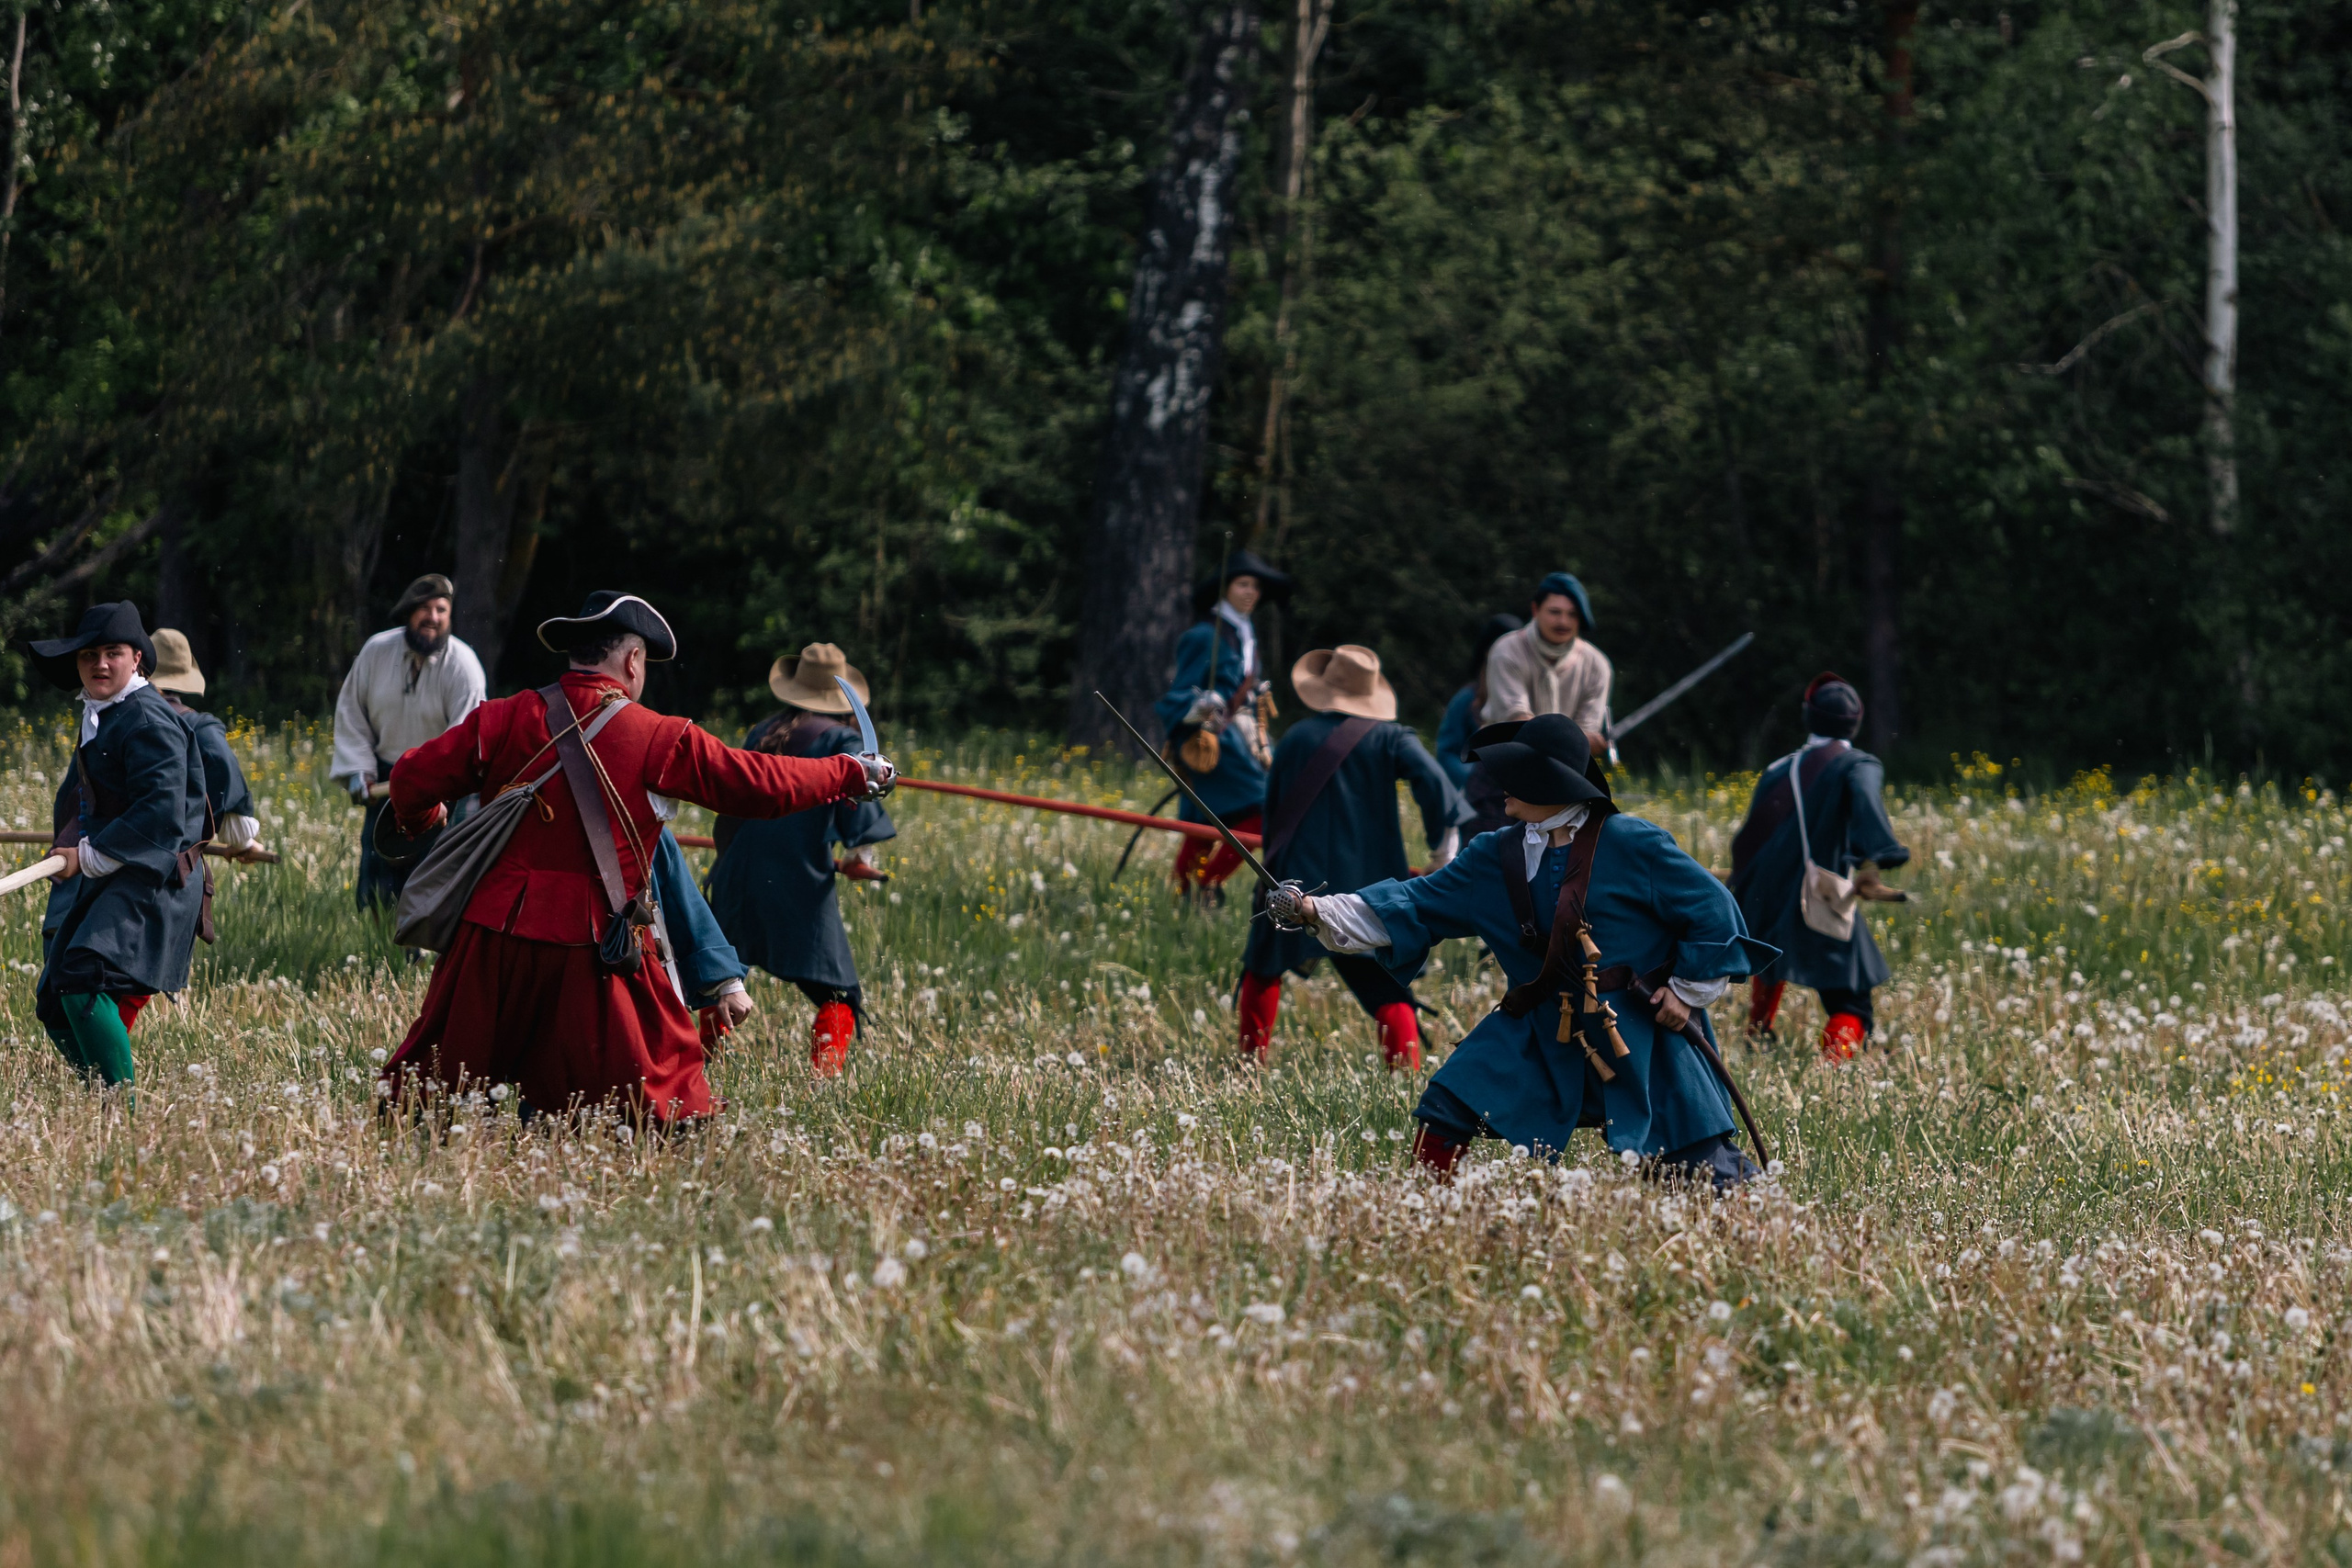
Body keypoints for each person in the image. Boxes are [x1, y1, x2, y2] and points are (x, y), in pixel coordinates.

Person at [380, 592, 894, 1122]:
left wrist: (426, 821)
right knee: (655, 1112)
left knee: (429, 1100)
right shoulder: (659, 736)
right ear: (631, 660)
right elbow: (760, 785)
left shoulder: (504, 717)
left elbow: (409, 780)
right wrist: (851, 774)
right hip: (597, 947)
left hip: (491, 938)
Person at [1272, 714, 1775, 1188]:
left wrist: (1686, 992)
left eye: (1518, 773)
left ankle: (1758, 1224)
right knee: (1447, 1106)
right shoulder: (1492, 855)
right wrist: (1318, 910)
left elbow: (1715, 911)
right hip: (1538, 1028)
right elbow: (1417, 902)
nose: (1502, 784)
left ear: (1552, 784)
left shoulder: (1631, 842)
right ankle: (1424, 1212)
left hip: (1637, 1031)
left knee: (1691, 1160)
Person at [1236, 646, 1469, 1071]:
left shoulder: (1295, 738)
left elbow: (1273, 815)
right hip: (1369, 884)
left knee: (1264, 967)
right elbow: (1438, 788)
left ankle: (1250, 1065)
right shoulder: (1392, 738)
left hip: (1292, 877)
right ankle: (1405, 1076)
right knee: (1385, 984)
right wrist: (1442, 853)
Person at [21, 603, 209, 1089]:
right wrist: (66, 847)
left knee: (82, 976)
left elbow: (162, 814)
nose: (100, 664)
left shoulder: (147, 719)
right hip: (116, 871)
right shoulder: (101, 714)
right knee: (54, 996)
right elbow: (80, 799)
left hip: (157, 876)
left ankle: (118, 1108)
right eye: (89, 654)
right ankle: (98, 1091)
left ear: (137, 660)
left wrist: (85, 856)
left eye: (112, 653)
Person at [707, 643, 897, 1077]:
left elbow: (732, 803)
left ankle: (697, 1065)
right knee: (840, 995)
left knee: (719, 980)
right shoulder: (844, 741)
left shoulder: (763, 732)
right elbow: (861, 801)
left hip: (737, 870)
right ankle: (823, 1081)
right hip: (797, 877)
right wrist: (858, 857)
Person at [1728, 672, 1909, 1063]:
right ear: (1856, 721)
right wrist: (1884, 850)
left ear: (1808, 717)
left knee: (1769, 956)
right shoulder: (1856, 764)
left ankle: (1757, 1034)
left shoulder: (1779, 769)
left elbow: (1747, 840)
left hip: (1763, 891)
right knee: (1852, 999)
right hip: (1818, 892)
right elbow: (1864, 798)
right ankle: (1831, 1067)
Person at [330, 574, 486, 910]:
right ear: (407, 613)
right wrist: (359, 770)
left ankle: (420, 959)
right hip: (384, 778)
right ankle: (377, 951)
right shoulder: (376, 651)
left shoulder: (464, 665)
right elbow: (352, 712)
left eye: (441, 609)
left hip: (440, 782)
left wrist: (440, 789)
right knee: (377, 882)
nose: (433, 617)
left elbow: (465, 735)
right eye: (425, 609)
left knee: (432, 881)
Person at [1156, 548, 1291, 901]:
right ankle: (1203, 885)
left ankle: (1191, 889)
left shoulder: (1246, 634)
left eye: (1256, 587)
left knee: (1213, 818)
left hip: (1246, 739)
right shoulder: (1205, 635)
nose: (1251, 592)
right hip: (1215, 740)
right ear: (1225, 588)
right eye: (1243, 584)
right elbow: (1178, 695)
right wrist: (1201, 704)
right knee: (1260, 809)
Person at [1435, 613, 1522, 832]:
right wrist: (1472, 779)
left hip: (1520, 802)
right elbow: (1446, 751)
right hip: (1478, 804)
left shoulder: (1525, 696)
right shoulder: (1467, 699)